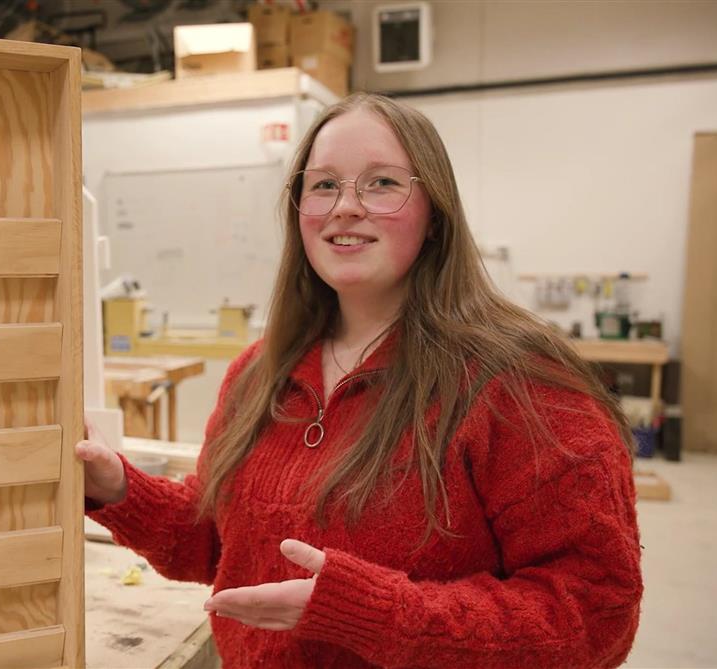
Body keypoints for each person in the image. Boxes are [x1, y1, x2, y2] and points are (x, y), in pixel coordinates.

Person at [78, 93, 642, 668]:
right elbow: (223, 546)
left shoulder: (522, 387)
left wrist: (370, 613)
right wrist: (117, 488)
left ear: (435, 214)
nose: (346, 207)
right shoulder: (259, 373)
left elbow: (596, 613)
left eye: (382, 183)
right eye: (324, 185)